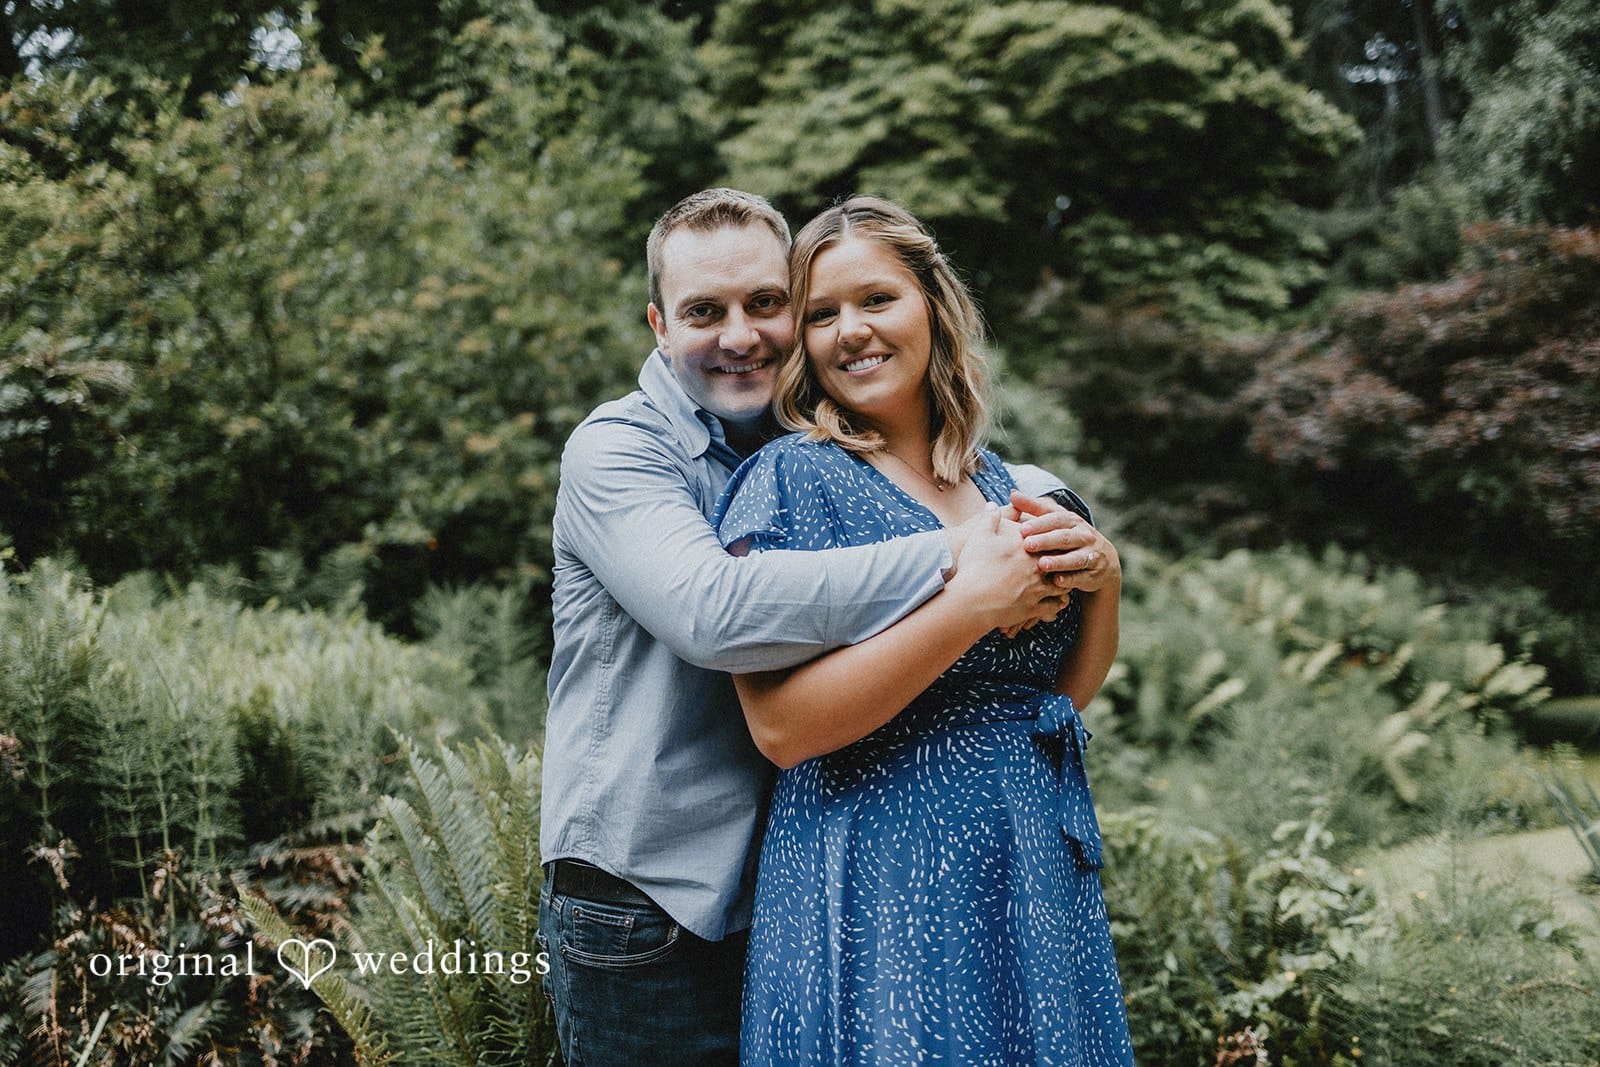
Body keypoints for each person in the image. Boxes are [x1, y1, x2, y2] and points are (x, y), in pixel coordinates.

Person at [538, 188, 1109, 1065]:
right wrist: (960, 568)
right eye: (703, 311)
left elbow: (1041, 685)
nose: (740, 335)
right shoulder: (625, 450)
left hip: (797, 873)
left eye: (766, 305)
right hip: (650, 899)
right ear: (658, 323)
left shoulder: (842, 444)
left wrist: (1095, 567)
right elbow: (715, 612)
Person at [716, 195, 1134, 1064]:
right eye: (822, 313)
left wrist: (1106, 580)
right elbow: (782, 728)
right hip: (882, 868)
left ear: (933, 306)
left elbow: (1052, 697)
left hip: (1029, 860)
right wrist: (971, 605)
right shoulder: (792, 480)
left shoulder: (1007, 484)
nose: (850, 331)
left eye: (877, 299)